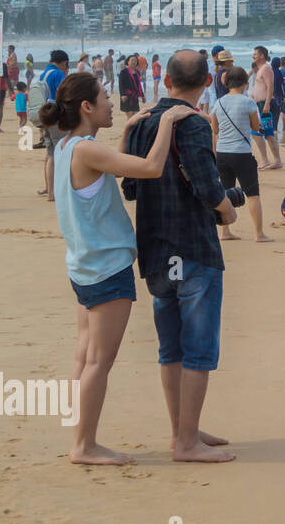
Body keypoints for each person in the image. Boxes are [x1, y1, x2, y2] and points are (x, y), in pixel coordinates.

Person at [44, 72, 197, 465]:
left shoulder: (67, 147)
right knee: (99, 362)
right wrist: (165, 121)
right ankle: (85, 446)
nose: (112, 103)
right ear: (87, 107)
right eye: (105, 98)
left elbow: (110, 164)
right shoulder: (85, 150)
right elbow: (149, 167)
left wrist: (127, 130)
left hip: (82, 265)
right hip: (105, 269)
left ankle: (80, 433)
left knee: (84, 357)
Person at [121, 50, 237, 463]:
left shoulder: (142, 123)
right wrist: (228, 209)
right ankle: (186, 442)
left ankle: (182, 431)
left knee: (170, 347)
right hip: (193, 245)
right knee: (199, 348)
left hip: (154, 246)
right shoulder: (193, 124)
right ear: (208, 83)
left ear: (166, 81)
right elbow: (208, 188)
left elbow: (131, 189)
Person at [208, 66, 270, 243]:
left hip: (222, 153)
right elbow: (255, 127)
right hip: (241, 153)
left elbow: (215, 128)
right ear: (245, 82)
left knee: (224, 192)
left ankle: (224, 231)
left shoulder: (218, 102)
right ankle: (259, 234)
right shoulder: (248, 102)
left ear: (228, 83)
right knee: (252, 194)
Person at [33, 50, 72, 201]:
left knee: (50, 154)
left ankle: (49, 190)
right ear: (63, 62)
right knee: (59, 152)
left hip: (44, 115)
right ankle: (53, 192)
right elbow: (64, 95)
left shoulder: (44, 73)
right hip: (55, 116)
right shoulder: (58, 74)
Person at [249, 46, 283, 169]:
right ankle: (265, 160)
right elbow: (258, 88)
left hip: (265, 105)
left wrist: (267, 104)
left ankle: (275, 161)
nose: (253, 56)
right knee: (257, 133)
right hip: (259, 105)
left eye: (255, 54)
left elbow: (270, 87)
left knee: (267, 134)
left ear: (262, 55)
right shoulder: (260, 69)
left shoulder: (266, 68)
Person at [118, 54, 142, 120]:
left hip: (135, 97)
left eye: (135, 60)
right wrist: (122, 95)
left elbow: (139, 85)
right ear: (128, 62)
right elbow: (121, 84)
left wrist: (142, 95)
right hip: (126, 96)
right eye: (132, 60)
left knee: (136, 114)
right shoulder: (123, 72)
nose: (134, 62)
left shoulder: (137, 72)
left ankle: (131, 129)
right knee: (130, 115)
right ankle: (129, 130)